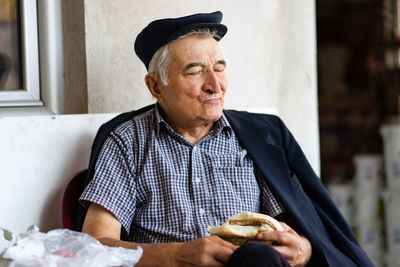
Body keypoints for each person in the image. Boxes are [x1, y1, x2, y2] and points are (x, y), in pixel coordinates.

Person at [78, 11, 373, 266]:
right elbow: (94, 246)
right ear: (156, 86)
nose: (215, 85)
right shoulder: (127, 141)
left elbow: (300, 231)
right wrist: (175, 257)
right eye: (195, 71)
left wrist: (305, 251)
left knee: (259, 258)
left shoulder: (260, 137)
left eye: (220, 68)